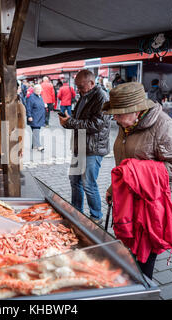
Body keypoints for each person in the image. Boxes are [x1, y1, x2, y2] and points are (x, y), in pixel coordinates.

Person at [104, 82, 172, 279]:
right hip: (130, 202)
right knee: (130, 256)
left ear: (137, 110)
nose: (114, 118)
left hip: (152, 208)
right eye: (113, 113)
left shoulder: (164, 127)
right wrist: (113, 188)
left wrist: (137, 174)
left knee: (144, 263)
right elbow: (126, 166)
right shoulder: (126, 124)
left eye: (119, 113)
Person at [59, 70, 110, 222]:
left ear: (92, 83)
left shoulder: (102, 98)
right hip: (80, 146)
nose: (78, 90)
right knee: (75, 181)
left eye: (80, 86)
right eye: (77, 87)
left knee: (88, 184)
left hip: (92, 149)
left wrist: (70, 122)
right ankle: (77, 212)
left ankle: (96, 216)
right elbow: (79, 120)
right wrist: (68, 121)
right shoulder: (84, 96)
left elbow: (97, 124)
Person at [26, 85, 46, 151]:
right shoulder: (31, 97)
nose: (39, 91)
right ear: (34, 90)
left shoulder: (40, 96)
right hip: (34, 117)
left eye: (40, 89)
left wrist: (44, 105)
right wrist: (29, 116)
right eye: (37, 89)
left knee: (36, 131)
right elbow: (28, 107)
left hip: (39, 117)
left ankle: (34, 146)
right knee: (36, 131)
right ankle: (38, 146)